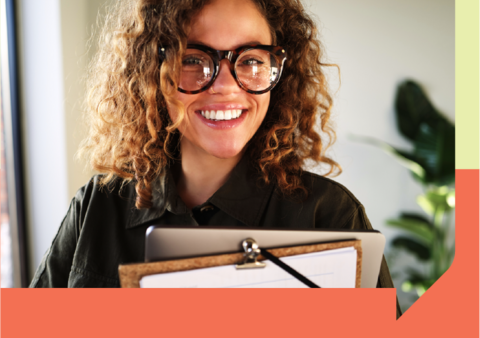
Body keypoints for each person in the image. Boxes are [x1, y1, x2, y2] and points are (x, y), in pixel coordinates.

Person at [30, 0, 401, 316]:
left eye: (252, 60)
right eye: (193, 58)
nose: (226, 86)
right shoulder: (96, 207)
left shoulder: (331, 215)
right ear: (152, 73)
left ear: (279, 75)